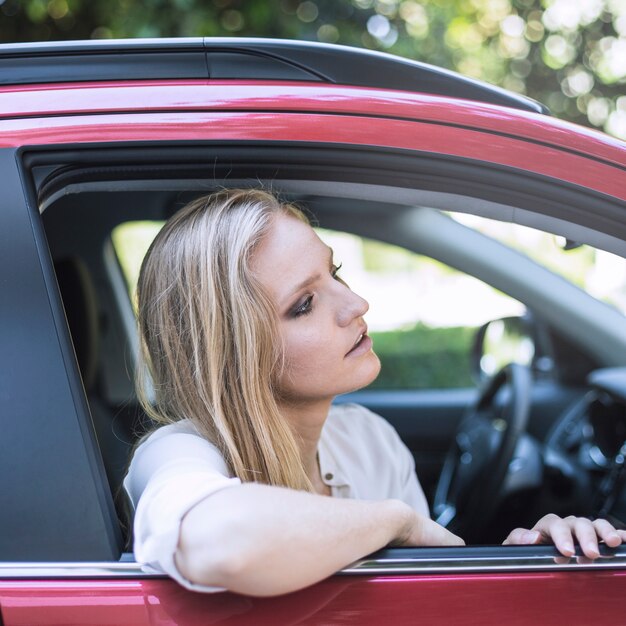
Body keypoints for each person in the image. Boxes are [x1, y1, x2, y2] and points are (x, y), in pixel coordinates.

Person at [124, 188, 626, 597]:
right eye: (304, 305)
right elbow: (221, 544)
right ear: (230, 353)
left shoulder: (367, 438)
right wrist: (395, 520)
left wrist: (524, 558)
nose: (357, 304)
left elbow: (430, 597)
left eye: (335, 273)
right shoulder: (177, 451)